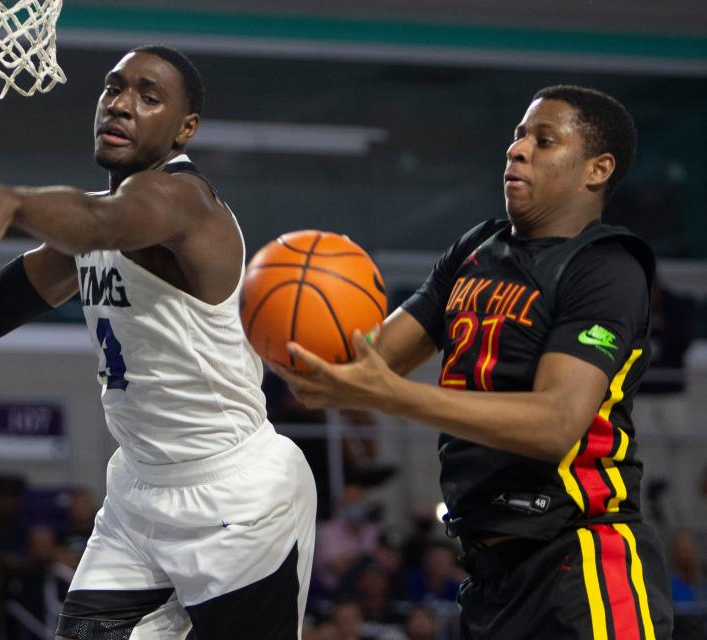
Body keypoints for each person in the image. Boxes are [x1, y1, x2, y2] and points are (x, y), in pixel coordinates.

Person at [0, 44, 316, 639]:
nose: (120, 105)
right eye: (113, 88)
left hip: (237, 493)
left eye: (148, 98)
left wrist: (12, 201)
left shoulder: (185, 203)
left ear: (185, 129)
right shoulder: (89, 223)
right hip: (140, 491)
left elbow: (109, 223)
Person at [273, 86, 673, 638]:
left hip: (583, 561)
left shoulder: (607, 268)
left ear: (597, 169)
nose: (518, 149)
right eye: (518, 136)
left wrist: (385, 394)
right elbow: (365, 365)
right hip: (487, 574)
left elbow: (556, 423)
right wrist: (291, 334)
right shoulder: (476, 248)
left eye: (544, 140)